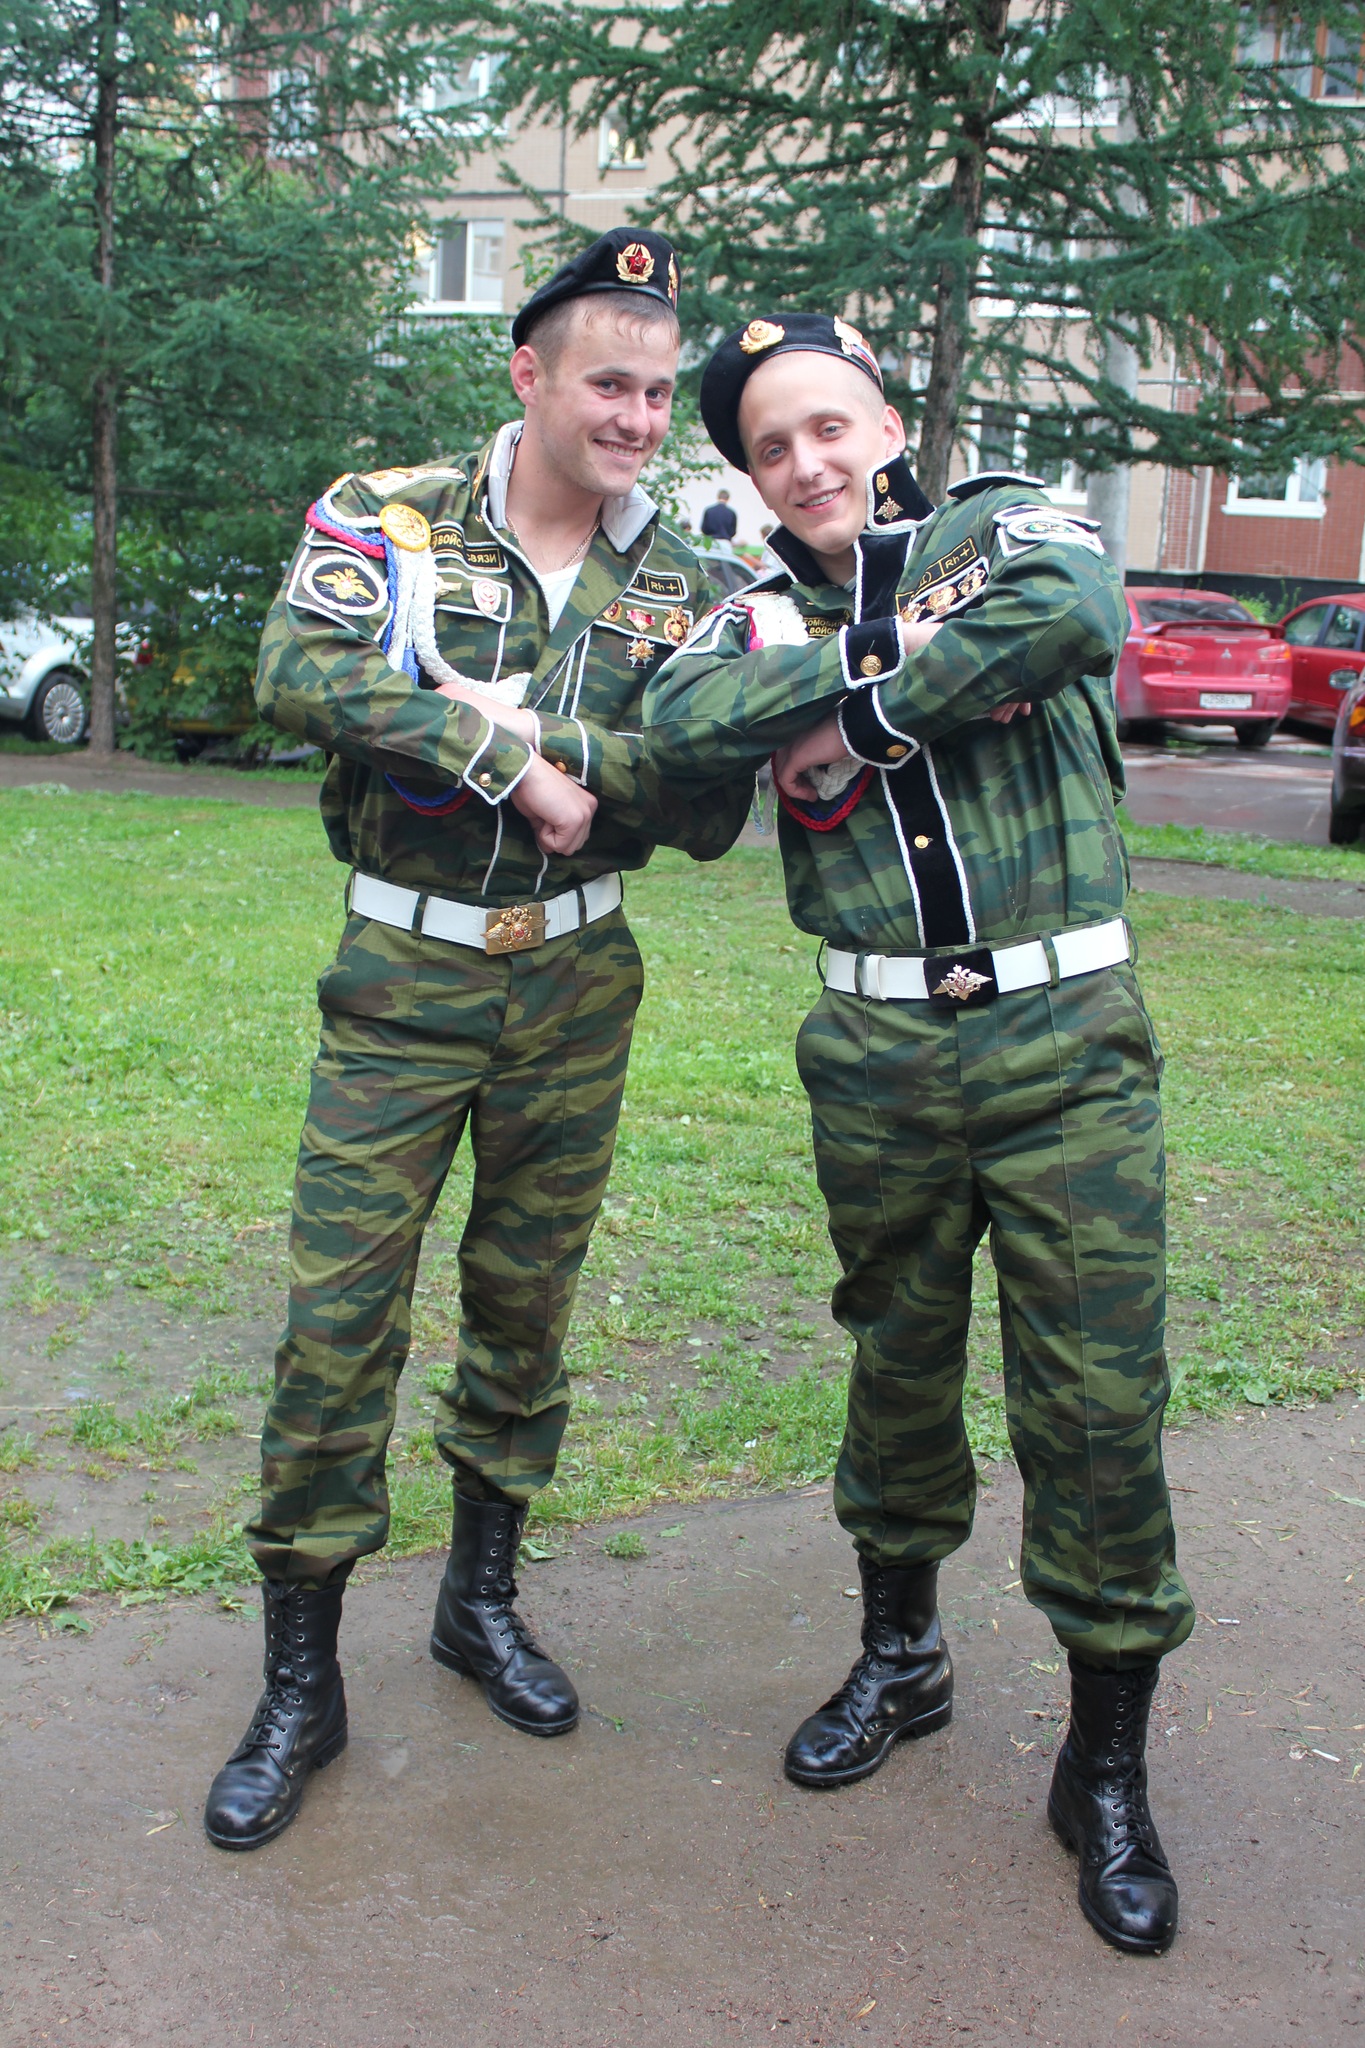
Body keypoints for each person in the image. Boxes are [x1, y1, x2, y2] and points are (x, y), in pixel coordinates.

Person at [640, 313, 1195, 1956]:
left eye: (828, 425)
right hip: (877, 1044)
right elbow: (681, 736)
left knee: (1095, 1392)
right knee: (894, 1359)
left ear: (886, 421)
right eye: (770, 447)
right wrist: (867, 663)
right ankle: (903, 1658)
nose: (806, 463)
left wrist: (851, 717)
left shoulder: (1003, 525)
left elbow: (1073, 611)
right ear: (751, 475)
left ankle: (1104, 1764)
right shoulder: (746, 605)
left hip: (1062, 1032)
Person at [203, 228, 751, 1852]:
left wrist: (583, 747)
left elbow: (707, 805)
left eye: (658, 393)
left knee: (525, 1304)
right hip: (405, 975)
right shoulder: (392, 515)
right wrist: (499, 756)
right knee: (338, 1318)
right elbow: (294, 668)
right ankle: (302, 1680)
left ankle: (479, 1601)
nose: (638, 417)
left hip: (576, 983)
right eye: (609, 384)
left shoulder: (693, 582)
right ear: (529, 374)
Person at [700, 487, 738, 552]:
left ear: (717, 497)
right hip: (725, 543)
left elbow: (704, 529)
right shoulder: (732, 513)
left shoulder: (708, 511)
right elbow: (733, 532)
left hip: (710, 542)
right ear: (728, 498)